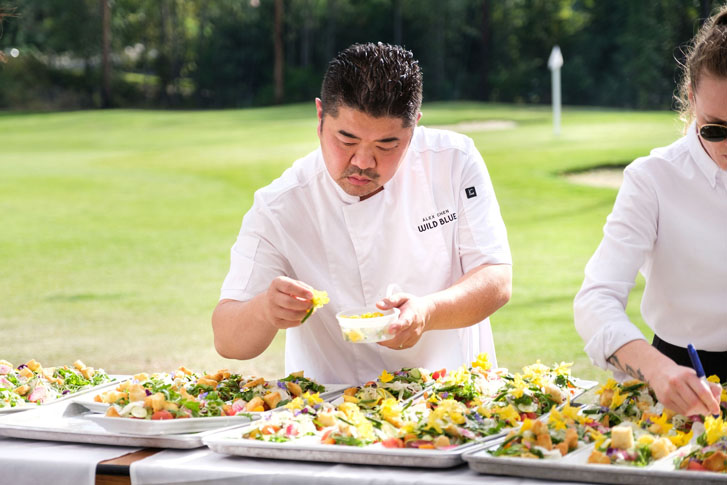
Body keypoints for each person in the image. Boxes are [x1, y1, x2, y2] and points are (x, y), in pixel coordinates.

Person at [212, 42, 512, 384]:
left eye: (387, 145)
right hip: (331, 415)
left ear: (414, 124)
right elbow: (228, 340)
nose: (362, 162)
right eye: (346, 140)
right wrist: (265, 308)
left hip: (454, 396)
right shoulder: (281, 205)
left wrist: (426, 312)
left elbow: (495, 279)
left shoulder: (453, 161)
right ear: (320, 116)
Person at [574, 6, 727, 417]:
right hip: (679, 377)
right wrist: (656, 370)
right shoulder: (653, 179)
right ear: (692, 98)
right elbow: (595, 300)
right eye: (715, 129)